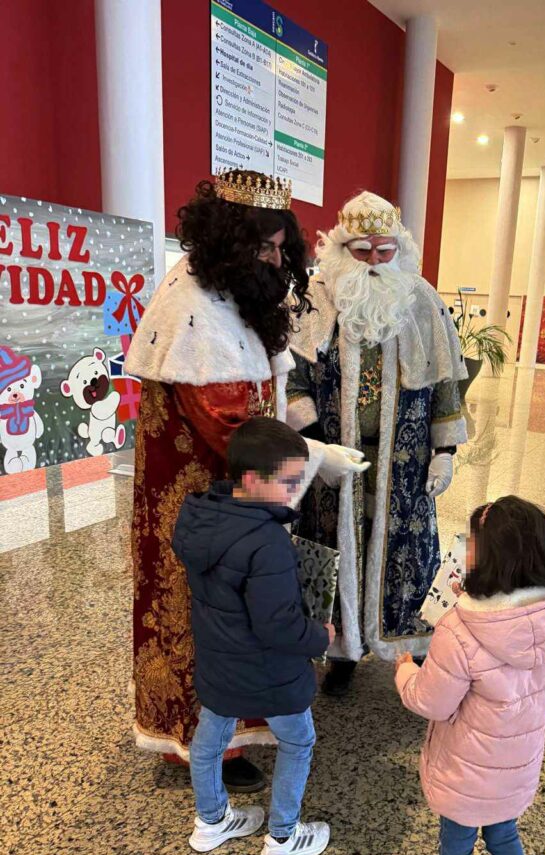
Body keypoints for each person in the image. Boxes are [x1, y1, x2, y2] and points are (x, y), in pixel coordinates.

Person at [126, 171, 366, 789]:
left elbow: (268, 392)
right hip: (201, 509)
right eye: (267, 248)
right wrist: (316, 458)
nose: (277, 260)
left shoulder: (233, 294)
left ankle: (220, 736)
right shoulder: (193, 311)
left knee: (231, 614)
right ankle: (203, 746)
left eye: (283, 249)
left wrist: (309, 441)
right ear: (233, 242)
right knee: (205, 619)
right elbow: (234, 427)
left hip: (232, 502)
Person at [287, 192, 468, 695]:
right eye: (362, 251)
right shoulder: (318, 296)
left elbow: (446, 381)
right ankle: (340, 647)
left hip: (403, 459)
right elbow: (292, 377)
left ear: (399, 248)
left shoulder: (421, 298)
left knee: (403, 549)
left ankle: (405, 647)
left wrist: (446, 450)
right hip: (333, 460)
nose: (373, 262)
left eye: (384, 252)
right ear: (342, 248)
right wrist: (314, 442)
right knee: (333, 546)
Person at [394, 497, 545, 855]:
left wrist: (406, 671)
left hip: (465, 772)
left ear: (489, 557)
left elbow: (432, 702)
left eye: (472, 541)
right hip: (516, 767)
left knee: (456, 846)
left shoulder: (460, 629)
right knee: (506, 838)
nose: (464, 547)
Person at [174, 418, 332, 855]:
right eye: (286, 482)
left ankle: (211, 822)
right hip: (268, 672)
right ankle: (283, 839)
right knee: (298, 741)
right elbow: (278, 626)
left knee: (210, 737)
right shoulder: (267, 543)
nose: (292, 491)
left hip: (219, 661)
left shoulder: (200, 518)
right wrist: (320, 636)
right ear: (250, 480)